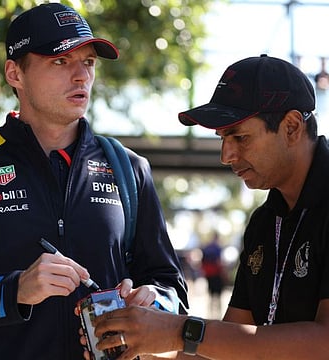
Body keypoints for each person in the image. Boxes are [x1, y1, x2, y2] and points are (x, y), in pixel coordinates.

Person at [0, 3, 188, 360]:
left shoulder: (129, 169)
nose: (81, 76)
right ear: (15, 73)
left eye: (89, 62)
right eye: (60, 61)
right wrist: (14, 290)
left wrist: (153, 302)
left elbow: (174, 295)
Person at [88, 55, 329, 359]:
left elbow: (325, 343)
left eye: (240, 137)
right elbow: (229, 344)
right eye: (222, 139)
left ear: (292, 126)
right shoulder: (265, 221)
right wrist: (142, 340)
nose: (226, 155)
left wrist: (178, 331)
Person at [200, 232, 224, 318]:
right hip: (216, 274)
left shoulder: (207, 247)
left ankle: (210, 313)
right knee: (218, 296)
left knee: (210, 294)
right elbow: (219, 261)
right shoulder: (217, 248)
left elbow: (202, 262)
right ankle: (218, 314)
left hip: (209, 274)